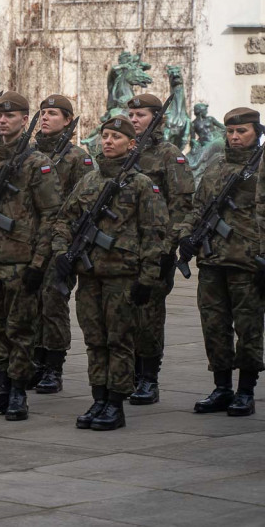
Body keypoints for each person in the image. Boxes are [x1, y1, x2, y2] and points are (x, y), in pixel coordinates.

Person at [51, 116, 167, 430]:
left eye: (116, 137)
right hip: (90, 277)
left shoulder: (141, 184)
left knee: (119, 341)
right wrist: (62, 252)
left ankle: (116, 403)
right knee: (94, 341)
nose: (108, 141)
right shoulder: (89, 181)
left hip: (122, 277)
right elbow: (64, 220)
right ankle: (99, 398)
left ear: (132, 144)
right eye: (105, 136)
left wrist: (147, 278)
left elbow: (154, 233)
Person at [0, 91, 62, 421]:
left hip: (21, 263)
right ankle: (0, 387)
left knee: (20, 331)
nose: (3, 120)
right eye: (0, 116)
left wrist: (38, 264)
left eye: (11, 116)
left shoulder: (37, 163)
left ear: (24, 119)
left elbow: (51, 216)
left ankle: (18, 391)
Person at [179, 108, 265, 416]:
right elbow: (199, 207)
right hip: (212, 259)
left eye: (242, 131)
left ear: (257, 132)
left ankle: (246, 390)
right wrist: (186, 235)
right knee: (214, 326)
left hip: (248, 261)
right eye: (230, 132)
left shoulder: (261, 167)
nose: (235, 137)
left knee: (249, 328)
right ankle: (222, 387)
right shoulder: (216, 166)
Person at [126, 93, 195, 404]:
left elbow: (182, 205)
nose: (134, 120)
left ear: (156, 118)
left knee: (149, 318)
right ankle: (128, 375)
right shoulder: (124, 153)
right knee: (123, 316)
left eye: (140, 115)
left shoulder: (169, 155)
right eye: (132, 115)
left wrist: (170, 246)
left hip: (154, 251)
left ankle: (148, 379)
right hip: (122, 250)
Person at [31, 94, 94, 393]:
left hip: (60, 244)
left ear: (68, 120)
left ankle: (53, 368)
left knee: (53, 304)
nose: (45, 117)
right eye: (42, 112)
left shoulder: (77, 158)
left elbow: (84, 204)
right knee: (30, 306)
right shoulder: (29, 153)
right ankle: (35, 361)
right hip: (28, 243)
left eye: (53, 113)